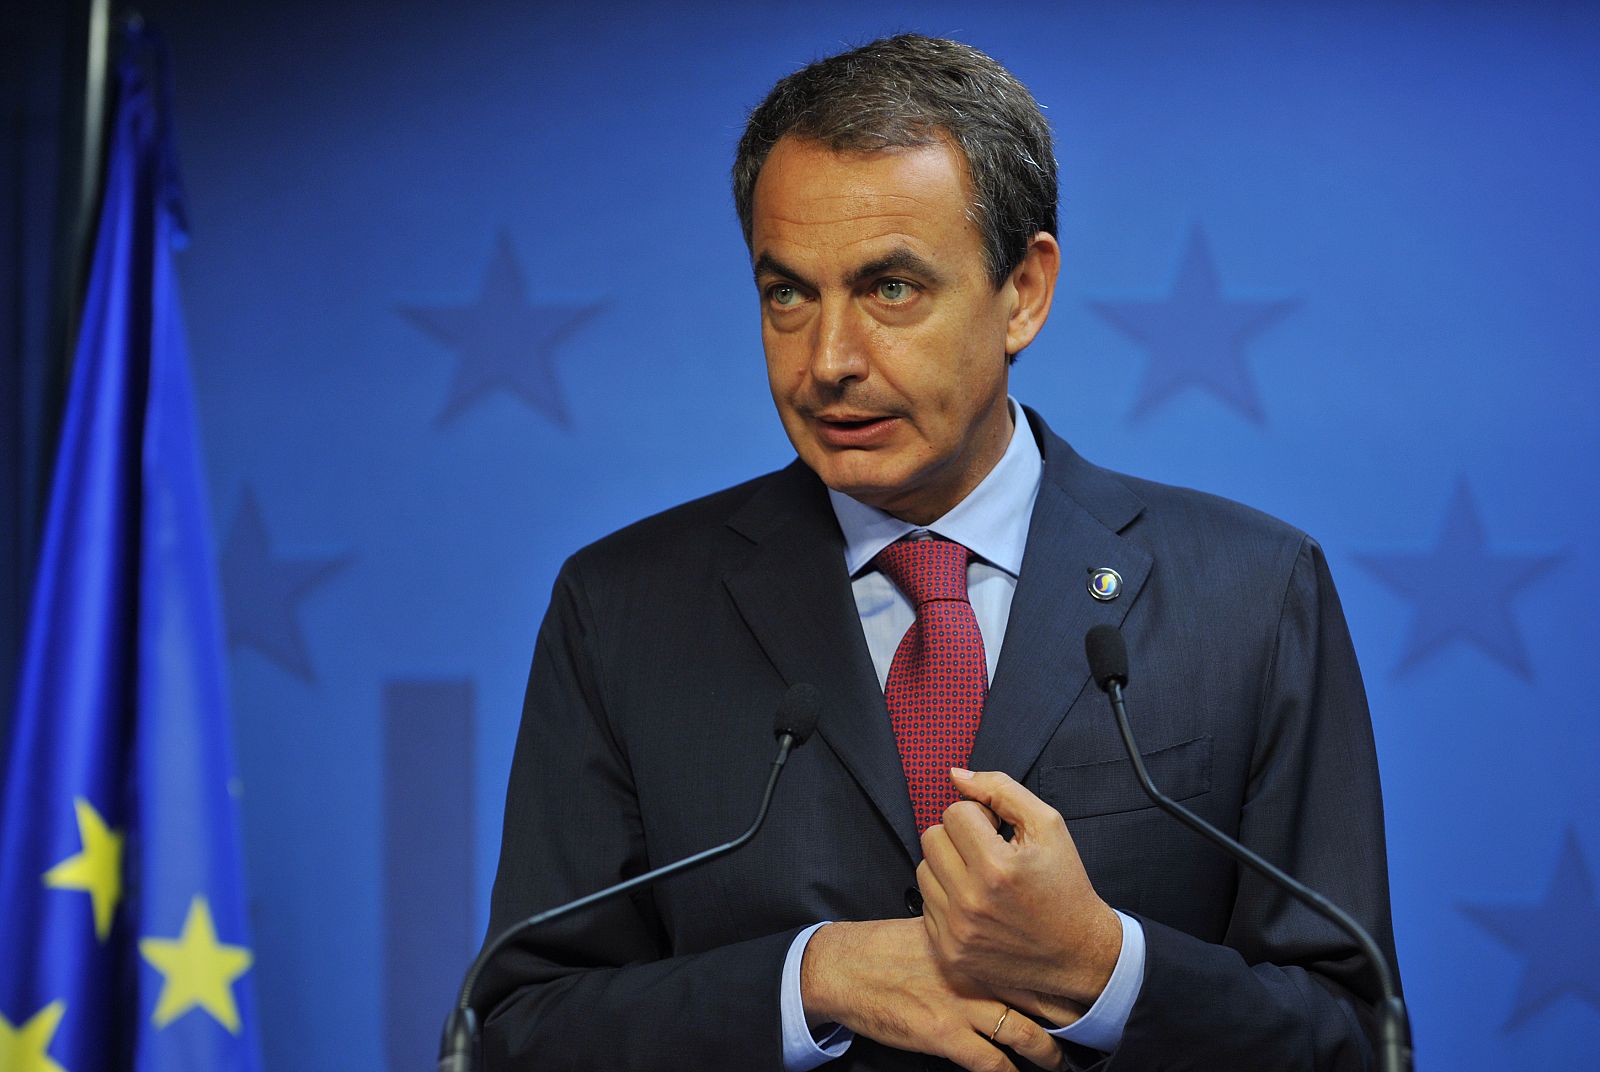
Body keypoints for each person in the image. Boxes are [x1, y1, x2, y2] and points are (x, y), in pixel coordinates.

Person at [478, 33, 1398, 1072]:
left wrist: (1104, 966)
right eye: (787, 294)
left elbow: (1356, 1041)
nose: (827, 361)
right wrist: (812, 977)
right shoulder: (623, 607)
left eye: (891, 289)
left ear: (1023, 294)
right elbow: (514, 1035)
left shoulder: (1252, 593)